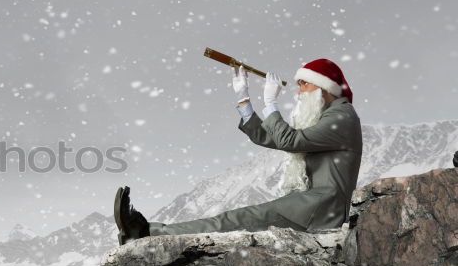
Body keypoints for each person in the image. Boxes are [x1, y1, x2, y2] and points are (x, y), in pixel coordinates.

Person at [115, 58, 363, 246]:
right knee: (236, 219)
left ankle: (147, 234)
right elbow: (272, 137)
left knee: (238, 219)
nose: (299, 93)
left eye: (304, 85)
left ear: (324, 87)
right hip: (313, 204)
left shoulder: (342, 117)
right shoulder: (331, 117)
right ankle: (149, 232)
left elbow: (290, 140)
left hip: (322, 209)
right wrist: (244, 100)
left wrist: (271, 105)